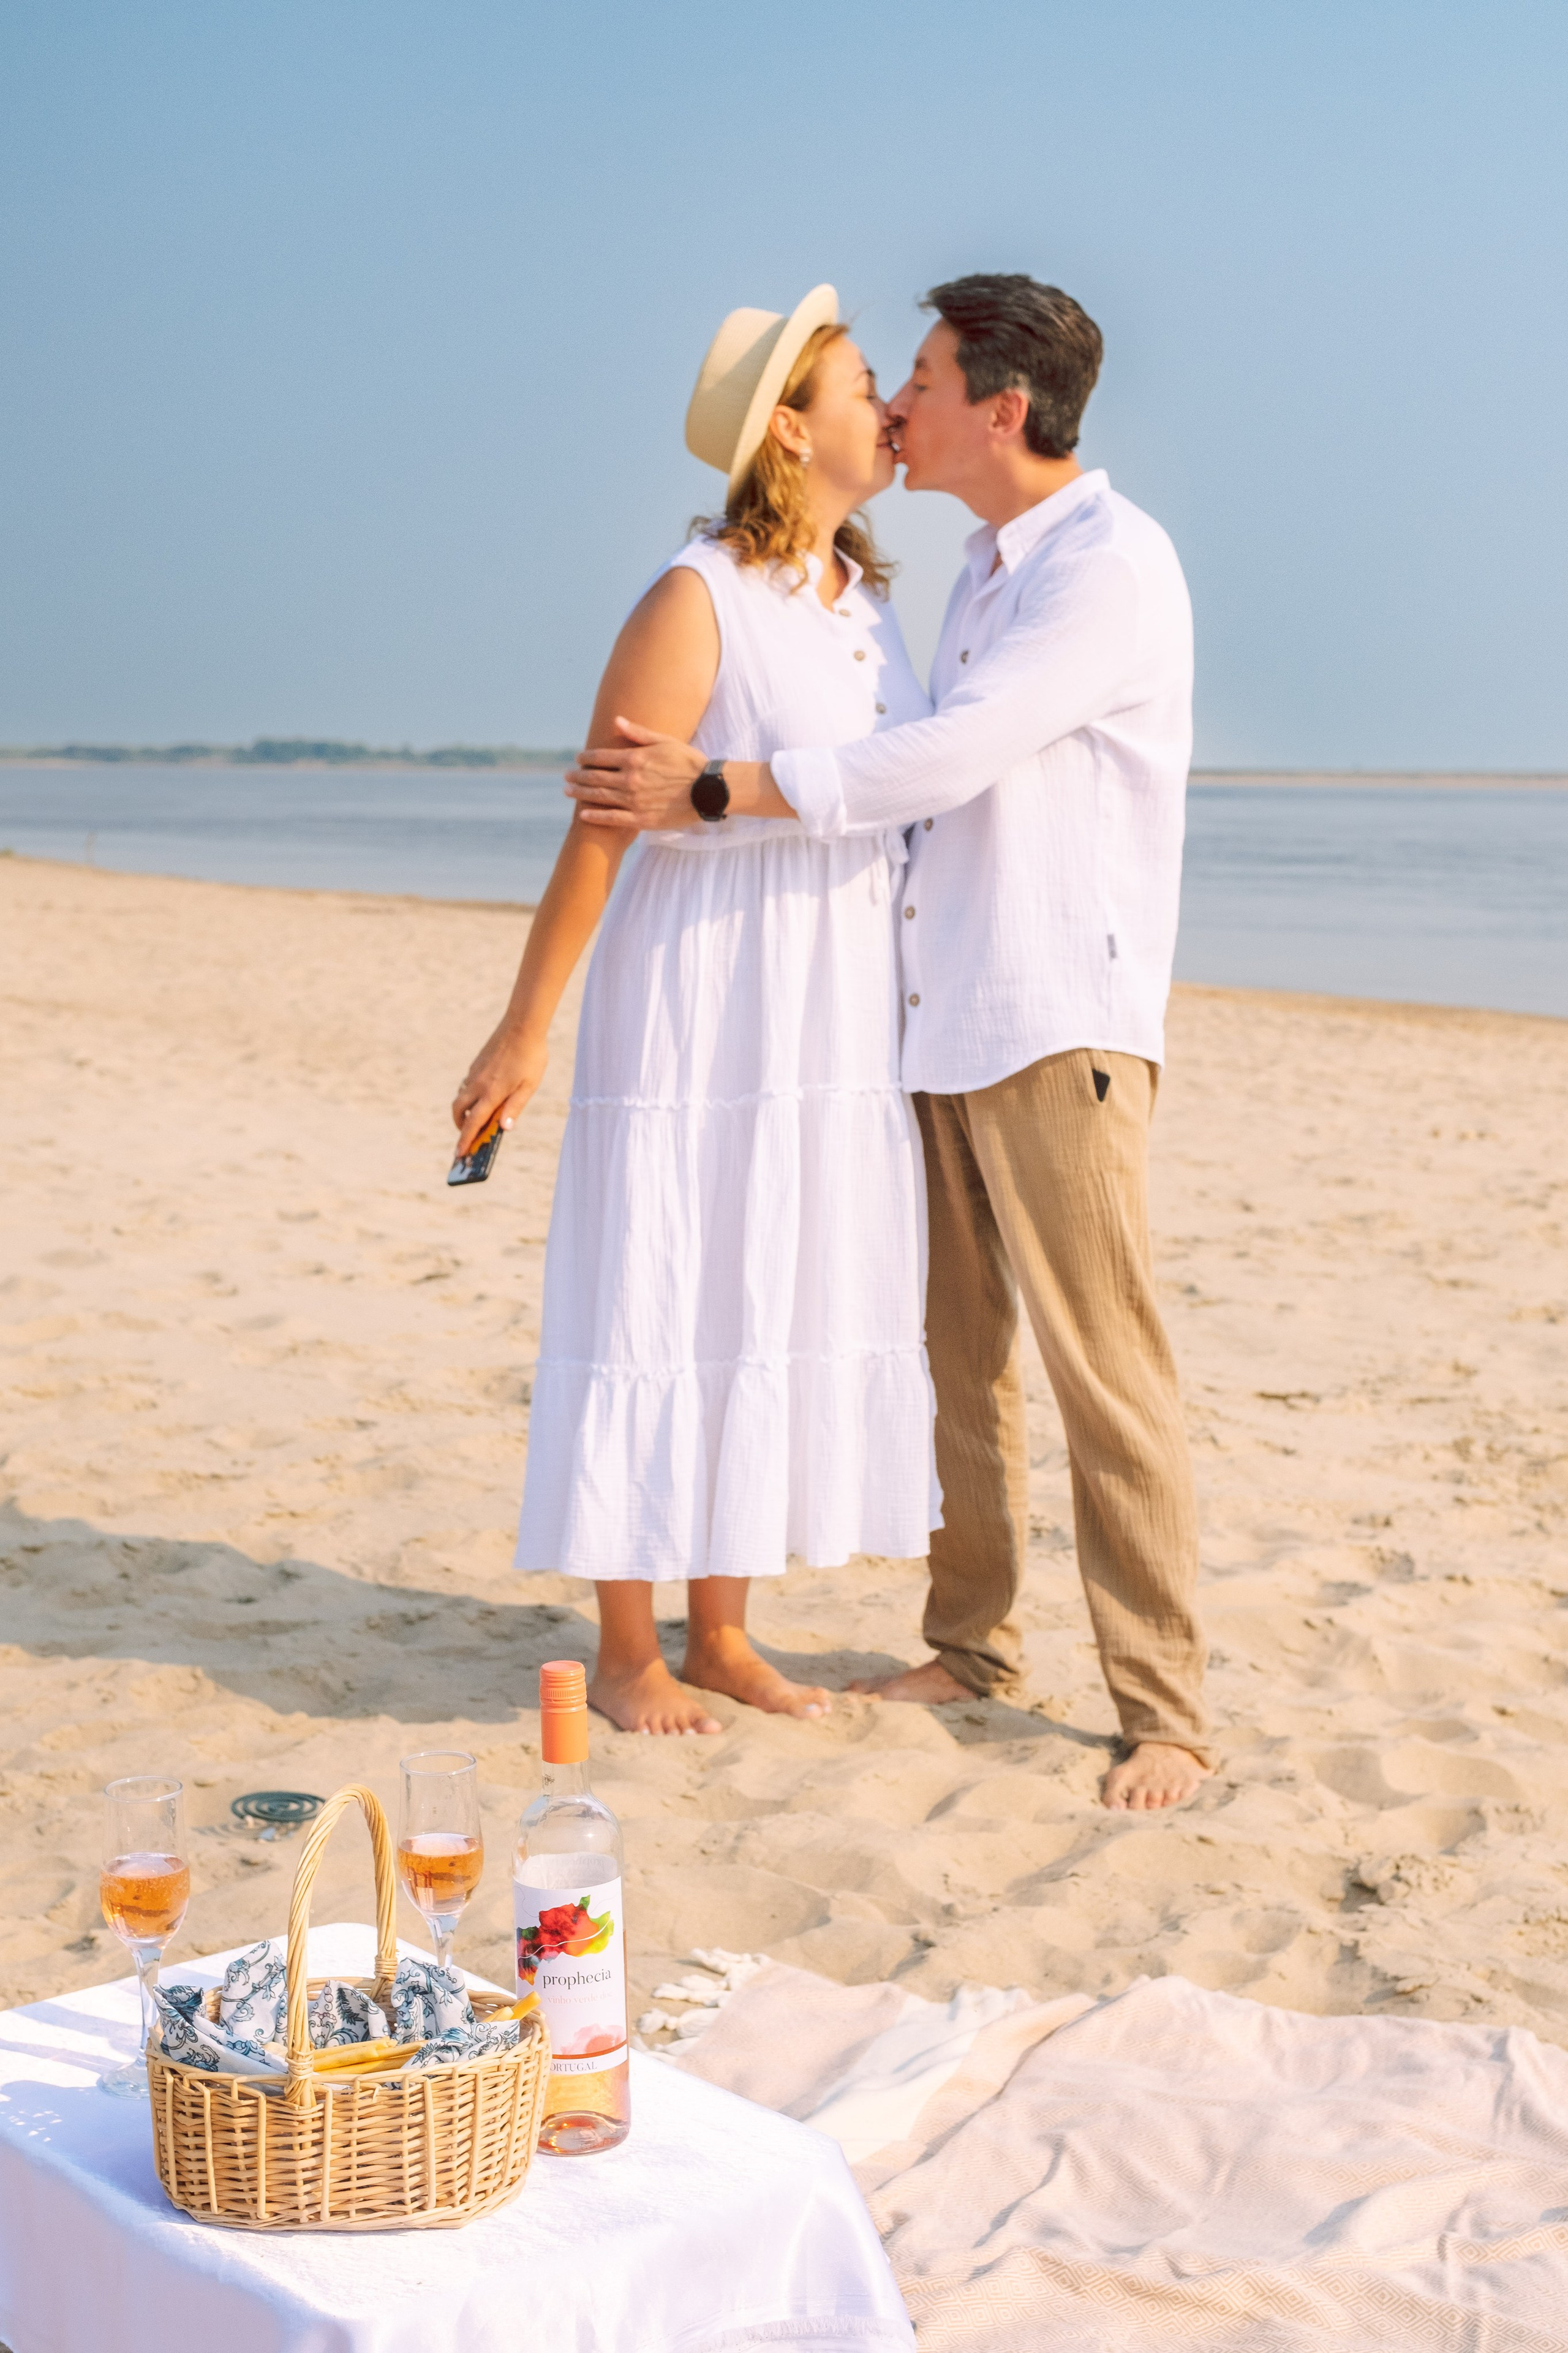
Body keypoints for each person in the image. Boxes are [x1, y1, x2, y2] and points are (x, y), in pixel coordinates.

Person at [566, 273, 1212, 1810]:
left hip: (1056, 1017)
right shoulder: (977, 569)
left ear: (1001, 406)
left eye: (919, 376)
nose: (902, 401)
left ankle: (1166, 1708)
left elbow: (947, 756)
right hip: (933, 1020)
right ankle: (972, 1644)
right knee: (960, 1364)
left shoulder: (1109, 567)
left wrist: (719, 789)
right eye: (891, 376)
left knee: (1103, 1369)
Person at [453, 285, 940, 1737]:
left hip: (829, 1008)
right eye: (866, 385)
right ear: (789, 428)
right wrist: (521, 1028)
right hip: (699, 996)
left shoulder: (868, 603)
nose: (891, 408)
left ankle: (722, 1630)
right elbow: (601, 830)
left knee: (767, 1279)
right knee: (659, 1276)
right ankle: (625, 1646)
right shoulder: (695, 596)